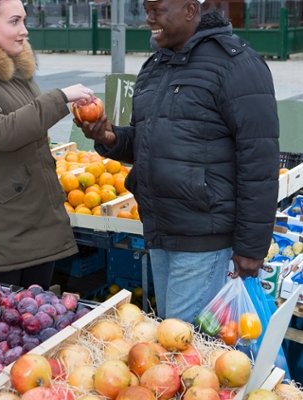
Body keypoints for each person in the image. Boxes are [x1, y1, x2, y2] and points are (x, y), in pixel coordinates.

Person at [75, 0, 280, 323]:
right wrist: (110, 138)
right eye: (146, 9)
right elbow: (149, 143)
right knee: (176, 336)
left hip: (204, 237)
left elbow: (260, 162)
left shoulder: (237, 66)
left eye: (157, 10)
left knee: (181, 344)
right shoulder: (156, 66)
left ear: (189, 10)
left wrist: (252, 247)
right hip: (161, 230)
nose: (148, 19)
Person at [0, 0, 96, 290]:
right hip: (3, 229)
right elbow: (0, 131)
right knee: (10, 323)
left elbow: (29, 126)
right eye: (14, 22)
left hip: (37, 218)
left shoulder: (14, 72)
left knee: (40, 313)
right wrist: (59, 98)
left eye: (24, 21)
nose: (24, 31)